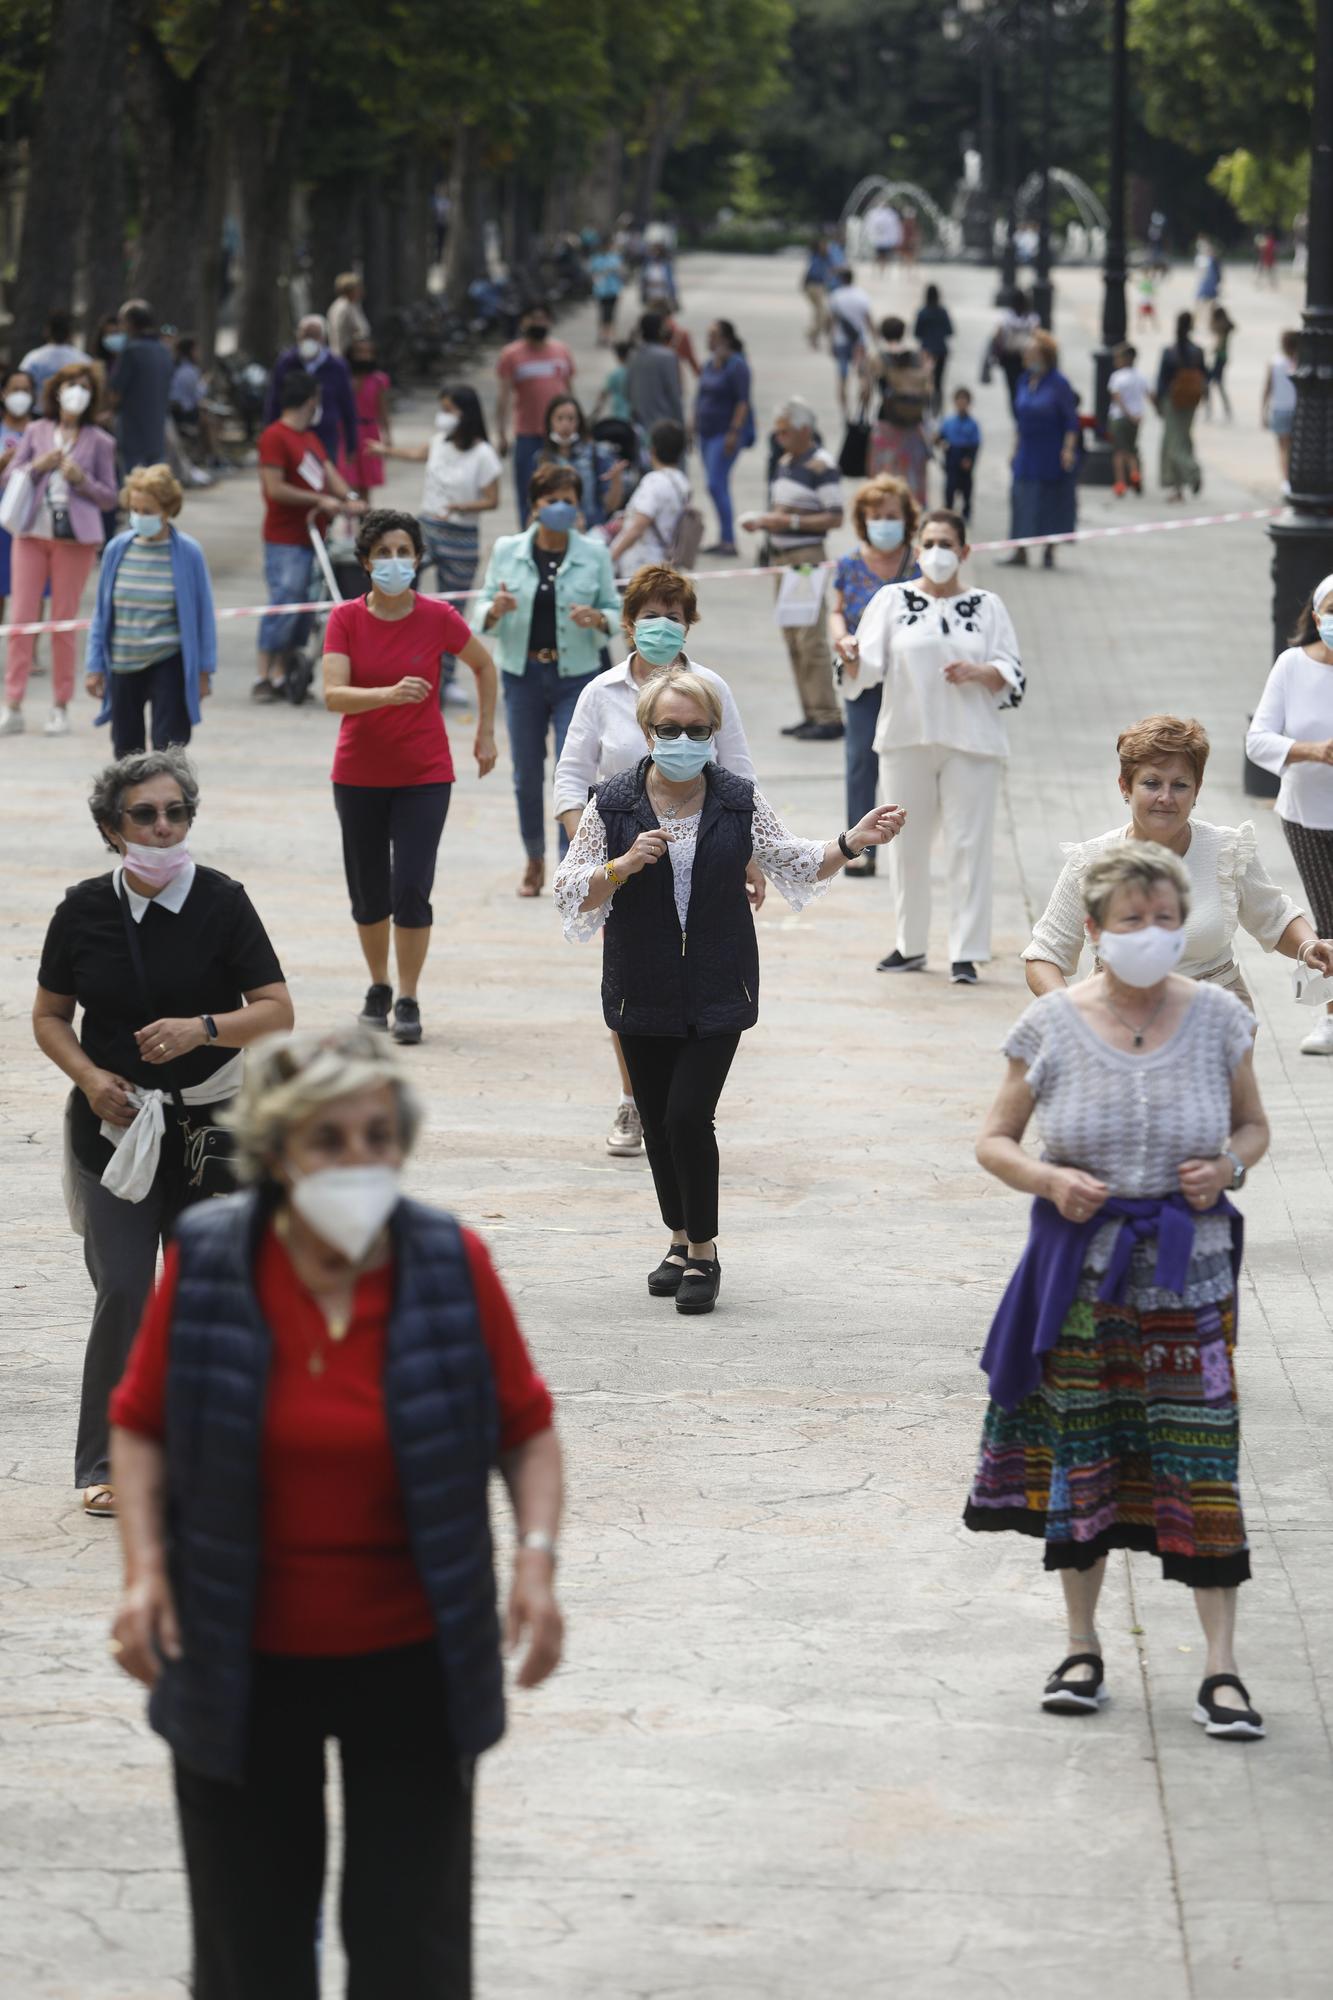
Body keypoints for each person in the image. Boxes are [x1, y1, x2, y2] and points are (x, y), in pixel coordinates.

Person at [105, 1027, 564, 1992]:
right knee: (250, 1949)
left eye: (379, 1135)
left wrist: (533, 1557)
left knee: (410, 1948)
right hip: (238, 1650)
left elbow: (523, 1425)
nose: (361, 1160)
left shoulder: (448, 1262)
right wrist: (145, 1571)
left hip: (411, 1654)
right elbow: (141, 1423)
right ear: (276, 1153)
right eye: (330, 1141)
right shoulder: (209, 1258)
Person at [966, 844, 1270, 1739]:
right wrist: (1046, 1181)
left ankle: (1220, 1670)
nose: (1149, 934)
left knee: (1201, 1466)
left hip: (1189, 1284)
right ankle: (1080, 1645)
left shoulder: (1218, 1018)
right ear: (1094, 931)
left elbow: (1252, 1127)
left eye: (1165, 919)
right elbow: (993, 1140)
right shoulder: (1051, 1024)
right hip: (1082, 1285)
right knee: (1084, 1459)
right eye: (1130, 921)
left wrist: (1227, 1166)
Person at [554, 666, 906, 1313]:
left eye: (695, 729)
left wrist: (850, 842)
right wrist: (621, 865)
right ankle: (677, 1239)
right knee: (657, 1126)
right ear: (647, 731)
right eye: (669, 729)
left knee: (689, 1116)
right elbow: (570, 889)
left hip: (719, 984)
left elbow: (794, 860)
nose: (682, 739)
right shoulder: (613, 802)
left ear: (713, 734)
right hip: (640, 986)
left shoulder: (737, 799)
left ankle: (705, 1253)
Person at [32, 747, 293, 1517]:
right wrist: (88, 1077)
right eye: (144, 814)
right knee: (123, 1287)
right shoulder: (83, 909)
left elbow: (276, 1009)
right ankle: (107, 1457)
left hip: (211, 1127)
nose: (162, 825)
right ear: (112, 828)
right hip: (111, 1130)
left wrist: (204, 1028)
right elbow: (50, 1016)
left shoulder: (221, 900)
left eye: (176, 811)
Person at [555, 564, 758, 1157]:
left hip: (703, 849)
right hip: (626, 863)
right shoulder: (601, 693)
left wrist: (748, 855)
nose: (662, 626)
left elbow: (740, 771)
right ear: (628, 624)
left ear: (689, 626)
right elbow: (571, 777)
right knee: (633, 976)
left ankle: (679, 1102)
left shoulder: (711, 689)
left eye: (674, 615)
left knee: (696, 969)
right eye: (651, 615)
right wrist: (592, 848)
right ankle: (634, 1097)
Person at [322, 509, 498, 1045]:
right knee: (368, 889)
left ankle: (408, 995)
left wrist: (485, 733)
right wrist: (386, 695)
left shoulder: (438, 616)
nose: (395, 562)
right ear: (366, 561)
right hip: (358, 773)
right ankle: (377, 985)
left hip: (424, 774)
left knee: (412, 887)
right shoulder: (346, 618)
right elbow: (333, 694)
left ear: (418, 559)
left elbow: (484, 665)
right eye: (384, 553)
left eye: (404, 552)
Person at [1023, 713, 1328, 1013]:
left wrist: (1308, 947)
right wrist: (1070, 1013)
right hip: (1117, 1017)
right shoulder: (1091, 862)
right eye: (1152, 783)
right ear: (1124, 786)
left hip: (1215, 1014)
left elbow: (1275, 917)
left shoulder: (1226, 850)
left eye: (1180, 785)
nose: (1166, 797)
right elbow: (1045, 956)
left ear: (1197, 789)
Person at [854, 507, 1023, 983]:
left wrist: (981, 672)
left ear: (965, 551)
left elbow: (1012, 672)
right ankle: (909, 946)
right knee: (905, 845)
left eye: (946, 544)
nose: (936, 553)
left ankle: (967, 951)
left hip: (972, 742)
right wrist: (847, 655)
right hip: (906, 737)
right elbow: (864, 668)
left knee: (969, 846)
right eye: (928, 543)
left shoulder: (988, 605)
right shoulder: (891, 600)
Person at [474, 461, 622, 897]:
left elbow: (615, 612)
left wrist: (597, 618)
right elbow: (481, 609)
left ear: (579, 508)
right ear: (534, 505)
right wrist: (495, 609)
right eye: (550, 500)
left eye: (568, 502)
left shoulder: (593, 552)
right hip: (522, 673)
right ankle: (534, 856)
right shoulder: (508, 549)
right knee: (525, 772)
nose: (559, 508)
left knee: (571, 770)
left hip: (576, 674)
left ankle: (569, 863)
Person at [1, 359, 118, 737]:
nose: (76, 393)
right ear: (56, 391)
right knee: (21, 619)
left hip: (74, 539)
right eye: (71, 385)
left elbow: (109, 496)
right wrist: (38, 464)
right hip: (31, 534)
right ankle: (13, 701)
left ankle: (60, 704)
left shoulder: (101, 441)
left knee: (63, 623)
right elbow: (10, 475)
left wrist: (81, 479)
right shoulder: (36, 430)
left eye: (84, 387)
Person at [1246, 580, 1333, 1054]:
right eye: (1332, 609)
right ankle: (1329, 1017)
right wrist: (1310, 751)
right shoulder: (1292, 666)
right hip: (1306, 816)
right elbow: (1258, 740)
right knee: (1328, 918)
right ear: (1317, 616)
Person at [371, 382, 500, 692]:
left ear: (465, 414)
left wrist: (461, 506)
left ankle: (446, 677)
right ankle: (396, 659)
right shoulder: (439, 442)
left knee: (451, 608)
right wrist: (385, 451)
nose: (442, 417)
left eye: (448, 410)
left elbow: (492, 499)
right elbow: (417, 454)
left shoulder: (483, 455)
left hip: (461, 535)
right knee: (399, 583)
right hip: (427, 529)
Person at [84, 464, 217, 757]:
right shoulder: (117, 549)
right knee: (126, 749)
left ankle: (171, 801)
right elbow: (102, 613)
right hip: (123, 661)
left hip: (167, 658)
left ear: (167, 510)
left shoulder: (188, 553)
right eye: (135, 510)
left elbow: (203, 616)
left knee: (169, 748)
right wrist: (94, 665)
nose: (139, 518)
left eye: (148, 511)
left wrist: (204, 670)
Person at [255, 369, 365, 702]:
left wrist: (349, 500)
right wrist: (320, 501)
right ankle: (265, 674)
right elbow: (275, 488)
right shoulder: (275, 437)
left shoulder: (310, 439)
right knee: (285, 602)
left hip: (315, 538)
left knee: (305, 609)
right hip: (286, 538)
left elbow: (330, 475)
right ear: (310, 401)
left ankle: (287, 672)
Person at [831, 474, 919, 873]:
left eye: (892, 515)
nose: (884, 522)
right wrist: (842, 639)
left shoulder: (919, 563)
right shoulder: (849, 564)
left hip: (910, 681)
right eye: (876, 515)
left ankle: (908, 847)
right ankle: (861, 848)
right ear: (863, 520)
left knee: (907, 761)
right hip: (862, 677)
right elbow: (836, 611)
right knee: (860, 761)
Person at [745, 395, 844, 740]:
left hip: (804, 558)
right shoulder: (786, 461)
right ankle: (811, 710)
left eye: (785, 431)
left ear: (804, 429)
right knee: (792, 637)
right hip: (782, 557)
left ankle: (827, 714)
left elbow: (834, 515)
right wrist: (767, 525)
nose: (779, 437)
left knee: (809, 638)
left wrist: (790, 521)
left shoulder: (821, 465)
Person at [1000, 330, 1080, 571]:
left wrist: (1068, 449)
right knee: (1021, 496)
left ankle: (1049, 550)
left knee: (1051, 499)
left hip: (1051, 448)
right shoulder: (1024, 380)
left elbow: (1071, 421)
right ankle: (1020, 550)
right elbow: (1020, 419)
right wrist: (1014, 448)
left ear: (1043, 356)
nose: (1025, 355)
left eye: (1030, 352)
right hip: (1027, 448)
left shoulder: (1059, 384)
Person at [494, 301, 576, 527]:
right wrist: (501, 433)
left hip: (558, 436)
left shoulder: (562, 351)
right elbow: (503, 397)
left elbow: (570, 393)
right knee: (528, 492)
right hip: (527, 434)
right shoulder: (511, 355)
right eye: (533, 317)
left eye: (542, 317)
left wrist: (577, 426)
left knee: (561, 489)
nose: (538, 322)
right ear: (522, 322)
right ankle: (528, 539)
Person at [264, 315, 359, 470]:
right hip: (291, 435)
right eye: (305, 335)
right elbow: (274, 402)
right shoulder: (286, 363)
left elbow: (348, 406)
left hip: (325, 436)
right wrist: (267, 436)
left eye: (314, 335)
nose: (309, 340)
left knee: (325, 481)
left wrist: (351, 445)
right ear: (298, 336)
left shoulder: (337, 366)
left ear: (323, 337)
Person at [692, 320, 752, 558]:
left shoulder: (737, 366)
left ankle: (729, 538)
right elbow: (700, 396)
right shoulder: (709, 365)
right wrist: (692, 423)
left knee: (715, 484)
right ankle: (723, 537)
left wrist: (734, 431)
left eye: (713, 335)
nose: (709, 339)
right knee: (717, 484)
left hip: (724, 434)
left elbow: (743, 401)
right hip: (705, 432)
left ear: (726, 338)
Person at [608, 417, 691, 576]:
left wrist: (611, 556)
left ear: (652, 450)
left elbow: (638, 527)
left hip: (642, 564)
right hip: (667, 561)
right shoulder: (682, 481)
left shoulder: (653, 482)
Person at [867, 315, 932, 503]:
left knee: (885, 472)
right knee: (911, 473)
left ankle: (884, 506)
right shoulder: (918, 356)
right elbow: (928, 389)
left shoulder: (878, 356)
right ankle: (910, 507)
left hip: (887, 419)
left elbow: (866, 391)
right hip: (914, 421)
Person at [539, 392, 625, 530]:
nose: (565, 424)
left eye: (571, 418)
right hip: (554, 533)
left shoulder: (595, 455)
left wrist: (616, 481)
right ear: (550, 422)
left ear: (579, 422)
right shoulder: (541, 459)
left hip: (590, 532)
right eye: (559, 418)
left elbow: (609, 506)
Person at [106, 299, 174, 473]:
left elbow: (115, 392)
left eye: (122, 321)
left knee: (132, 481)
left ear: (130, 323)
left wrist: (108, 413)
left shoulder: (131, 351)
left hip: (132, 429)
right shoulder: (164, 350)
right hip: (157, 428)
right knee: (155, 480)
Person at [1154, 311, 1208, 502]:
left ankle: (1192, 473)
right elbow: (1204, 376)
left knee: (1173, 443)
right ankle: (1178, 487)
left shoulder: (1170, 352)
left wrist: (1158, 402)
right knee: (1183, 438)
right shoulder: (1197, 351)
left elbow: (1161, 381)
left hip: (1173, 399)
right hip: (1191, 399)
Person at [0, 366, 37, 622]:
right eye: (15, 390)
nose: (20, 395)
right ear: (3, 393)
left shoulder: (42, 430)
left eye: (26, 390)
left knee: (33, 590)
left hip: (32, 517)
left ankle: (31, 654)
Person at [340, 336, 392, 495]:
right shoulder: (343, 377)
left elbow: (383, 410)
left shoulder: (379, 380)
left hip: (369, 432)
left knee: (366, 480)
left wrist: (387, 435)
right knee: (348, 476)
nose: (364, 356)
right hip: (345, 431)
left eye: (368, 352)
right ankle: (352, 513)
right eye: (360, 352)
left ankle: (364, 515)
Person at [827, 270, 875, 420]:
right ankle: (862, 411)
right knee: (863, 377)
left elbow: (832, 321)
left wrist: (830, 341)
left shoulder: (835, 296)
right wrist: (875, 337)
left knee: (842, 378)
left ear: (841, 279)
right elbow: (868, 319)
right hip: (859, 341)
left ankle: (845, 413)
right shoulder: (862, 295)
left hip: (841, 341)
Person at [626, 313, 684, 435]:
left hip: (640, 425)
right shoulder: (668, 356)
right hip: (663, 426)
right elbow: (674, 394)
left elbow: (627, 391)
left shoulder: (633, 355)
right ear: (659, 330)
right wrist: (681, 425)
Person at [168, 335, 221, 469]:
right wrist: (205, 382)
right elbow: (197, 395)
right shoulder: (189, 371)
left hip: (180, 410)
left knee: (207, 417)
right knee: (210, 421)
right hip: (183, 413)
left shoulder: (179, 368)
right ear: (191, 351)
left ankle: (210, 456)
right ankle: (213, 457)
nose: (199, 353)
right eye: (197, 350)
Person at [1107, 343, 1150, 497]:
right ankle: (1135, 473)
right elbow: (1149, 394)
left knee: (1119, 452)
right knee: (1131, 450)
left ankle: (1120, 483)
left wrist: (1127, 413)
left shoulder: (1117, 377)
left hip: (1119, 417)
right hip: (1137, 418)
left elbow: (1117, 397)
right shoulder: (1140, 377)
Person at [989, 289, 1039, 414]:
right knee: (1027, 386)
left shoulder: (1006, 317)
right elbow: (1037, 336)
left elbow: (997, 336)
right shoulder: (1032, 318)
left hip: (1010, 358)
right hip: (1025, 357)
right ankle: (1022, 412)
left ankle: (1017, 412)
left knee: (1012, 388)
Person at [19, 308, 91, 395]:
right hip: (73, 406)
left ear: (47, 331)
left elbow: (21, 384)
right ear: (70, 333)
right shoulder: (83, 360)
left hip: (39, 407)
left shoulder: (33, 358)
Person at [1262, 330, 1299, 486]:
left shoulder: (1274, 362)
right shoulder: (1299, 362)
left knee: (1283, 448)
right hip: (1296, 409)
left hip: (1280, 408)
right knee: (1295, 448)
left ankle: (1286, 480)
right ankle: (1293, 476)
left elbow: (1267, 388)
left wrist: (1263, 410)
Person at [937, 386, 981, 521]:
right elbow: (940, 437)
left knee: (966, 488)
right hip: (951, 456)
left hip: (965, 456)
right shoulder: (948, 421)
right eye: (959, 400)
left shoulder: (973, 424)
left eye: (964, 401)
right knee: (950, 487)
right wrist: (940, 442)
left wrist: (970, 459)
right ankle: (948, 512)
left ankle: (966, 513)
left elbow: (975, 444)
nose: (961, 404)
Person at [914, 283, 954, 413]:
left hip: (926, 350)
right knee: (939, 380)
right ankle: (937, 407)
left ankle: (926, 405)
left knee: (926, 379)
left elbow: (917, 333)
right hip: (941, 349)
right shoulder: (942, 312)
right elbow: (950, 331)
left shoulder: (922, 312)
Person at [801, 237, 837, 349]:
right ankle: (811, 334)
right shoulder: (815, 256)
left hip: (820, 286)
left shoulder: (826, 257)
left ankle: (813, 337)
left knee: (819, 313)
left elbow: (832, 268)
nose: (826, 248)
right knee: (821, 313)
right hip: (812, 285)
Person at [589, 239, 625, 345]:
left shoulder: (615, 258)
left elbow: (620, 273)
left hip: (613, 290)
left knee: (611, 314)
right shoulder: (596, 258)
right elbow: (594, 273)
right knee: (603, 313)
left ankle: (609, 336)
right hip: (601, 290)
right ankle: (602, 335)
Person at [327, 271, 371, 357]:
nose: (361, 291)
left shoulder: (352, 305)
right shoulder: (343, 307)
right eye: (358, 288)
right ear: (350, 289)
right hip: (347, 354)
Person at [593, 340, 633, 425]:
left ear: (617, 356)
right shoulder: (634, 373)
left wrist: (596, 411)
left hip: (617, 414)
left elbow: (604, 393)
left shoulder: (614, 374)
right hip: (632, 415)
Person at [1207, 304, 1235, 422]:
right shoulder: (1225, 328)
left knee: (1210, 383)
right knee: (1219, 384)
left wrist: (1211, 351)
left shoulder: (1221, 329)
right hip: (1223, 358)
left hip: (1218, 358)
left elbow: (1219, 344)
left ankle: (1210, 409)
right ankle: (1226, 408)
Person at [866, 201, 902, 271]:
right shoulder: (877, 214)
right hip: (880, 240)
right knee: (880, 256)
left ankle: (881, 269)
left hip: (884, 241)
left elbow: (894, 228)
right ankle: (878, 269)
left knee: (883, 257)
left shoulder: (889, 214)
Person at [1194, 236, 1222, 303]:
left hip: (1210, 281)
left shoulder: (1212, 260)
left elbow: (1217, 272)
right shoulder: (1203, 259)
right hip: (1206, 280)